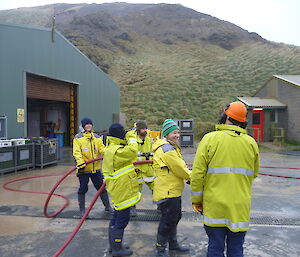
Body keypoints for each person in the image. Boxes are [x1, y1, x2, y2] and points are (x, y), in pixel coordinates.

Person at [190, 101, 260, 257]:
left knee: (215, 247)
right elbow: (254, 173)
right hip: (240, 208)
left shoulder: (210, 139)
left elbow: (197, 175)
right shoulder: (251, 143)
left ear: (225, 116)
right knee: (236, 249)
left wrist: (197, 200)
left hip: (215, 207)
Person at [152, 119, 191, 257]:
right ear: (167, 134)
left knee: (174, 218)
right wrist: (193, 177)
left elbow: (179, 167)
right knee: (168, 221)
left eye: (178, 132)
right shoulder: (167, 149)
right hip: (168, 192)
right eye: (174, 133)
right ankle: (160, 250)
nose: (177, 135)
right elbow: (180, 169)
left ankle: (173, 244)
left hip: (171, 190)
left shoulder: (169, 146)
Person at [102, 123, 141, 257]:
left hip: (119, 188)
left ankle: (114, 246)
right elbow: (132, 151)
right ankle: (117, 250)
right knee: (121, 220)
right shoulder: (116, 150)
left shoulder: (112, 147)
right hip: (121, 190)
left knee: (116, 218)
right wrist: (131, 138)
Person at [73, 118, 113, 217]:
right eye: (87, 124)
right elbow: (76, 152)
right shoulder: (78, 138)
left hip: (96, 169)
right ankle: (82, 211)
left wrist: (109, 153)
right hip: (83, 169)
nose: (89, 126)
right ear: (82, 126)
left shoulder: (96, 137)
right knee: (83, 189)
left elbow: (101, 149)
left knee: (101, 188)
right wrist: (81, 162)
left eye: (90, 124)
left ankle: (108, 207)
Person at [126, 120, 155, 217]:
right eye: (142, 128)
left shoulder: (148, 139)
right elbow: (130, 153)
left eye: (145, 128)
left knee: (156, 188)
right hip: (137, 169)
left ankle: (160, 207)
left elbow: (151, 149)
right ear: (138, 130)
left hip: (148, 168)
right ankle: (132, 208)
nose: (145, 130)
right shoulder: (133, 140)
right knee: (135, 190)